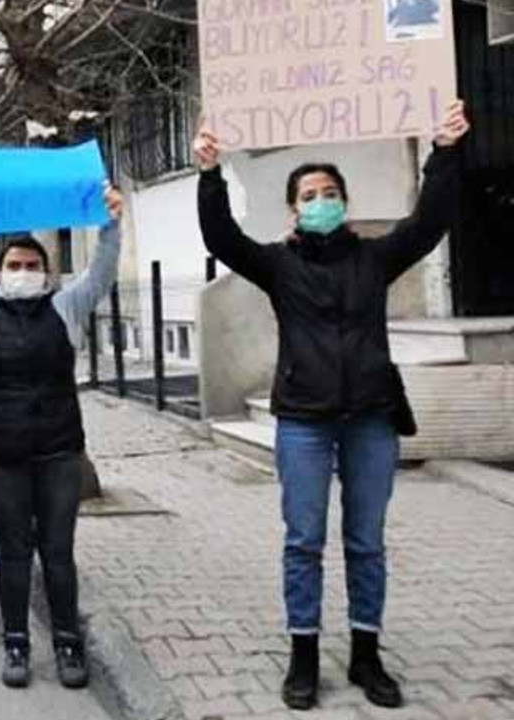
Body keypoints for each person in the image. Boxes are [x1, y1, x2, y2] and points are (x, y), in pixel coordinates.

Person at [193, 100, 471, 711]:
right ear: (293, 208)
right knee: (304, 540)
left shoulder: (375, 256)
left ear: (343, 201)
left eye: (329, 190)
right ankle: (304, 655)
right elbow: (222, 238)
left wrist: (445, 153)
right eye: (309, 193)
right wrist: (210, 175)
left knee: (366, 541)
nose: (320, 199)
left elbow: (427, 224)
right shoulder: (278, 264)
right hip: (305, 424)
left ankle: (367, 652)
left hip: (371, 417)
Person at [0, 182, 124, 690]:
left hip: (59, 451)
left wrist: (110, 222)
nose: (22, 272)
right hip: (3, 454)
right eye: (12, 265)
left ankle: (67, 643)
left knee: (58, 552)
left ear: (48, 274)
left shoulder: (68, 307)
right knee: (14, 552)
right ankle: (16, 641)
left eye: (31, 265)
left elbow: (102, 270)